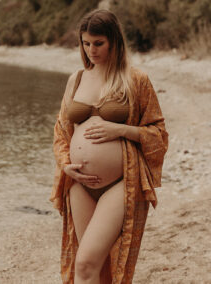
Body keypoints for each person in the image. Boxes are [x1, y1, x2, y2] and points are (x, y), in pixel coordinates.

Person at [50, 9, 168, 284]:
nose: (91, 50)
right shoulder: (76, 79)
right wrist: (66, 164)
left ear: (114, 41)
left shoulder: (136, 80)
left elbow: (159, 134)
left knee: (86, 261)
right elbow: (61, 133)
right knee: (96, 268)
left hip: (121, 182)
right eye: (85, 43)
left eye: (98, 43)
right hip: (79, 184)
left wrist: (121, 129)